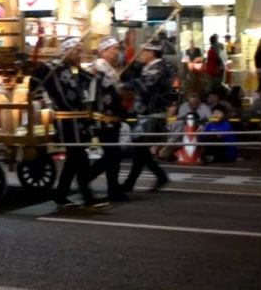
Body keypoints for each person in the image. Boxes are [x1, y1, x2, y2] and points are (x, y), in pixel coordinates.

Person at [32, 37, 109, 210]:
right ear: (66, 50)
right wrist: (41, 101)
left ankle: (62, 195)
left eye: (80, 50)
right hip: (65, 119)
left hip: (79, 119)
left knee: (75, 158)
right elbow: (34, 83)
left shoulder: (74, 69)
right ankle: (87, 197)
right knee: (78, 157)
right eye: (76, 50)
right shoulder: (50, 67)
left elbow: (90, 79)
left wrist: (97, 74)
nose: (79, 54)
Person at [121, 42, 171, 193]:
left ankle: (130, 183)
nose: (141, 54)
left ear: (152, 53)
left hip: (152, 114)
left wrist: (125, 85)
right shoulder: (149, 68)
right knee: (141, 150)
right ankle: (159, 176)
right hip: (145, 113)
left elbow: (145, 87)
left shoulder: (159, 68)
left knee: (140, 148)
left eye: (144, 51)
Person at [88, 36, 128, 201]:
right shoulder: (97, 69)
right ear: (104, 51)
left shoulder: (110, 71)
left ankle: (113, 188)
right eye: (114, 49)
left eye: (118, 49)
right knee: (112, 154)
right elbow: (92, 95)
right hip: (102, 119)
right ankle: (86, 178)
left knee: (114, 155)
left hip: (113, 118)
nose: (117, 52)